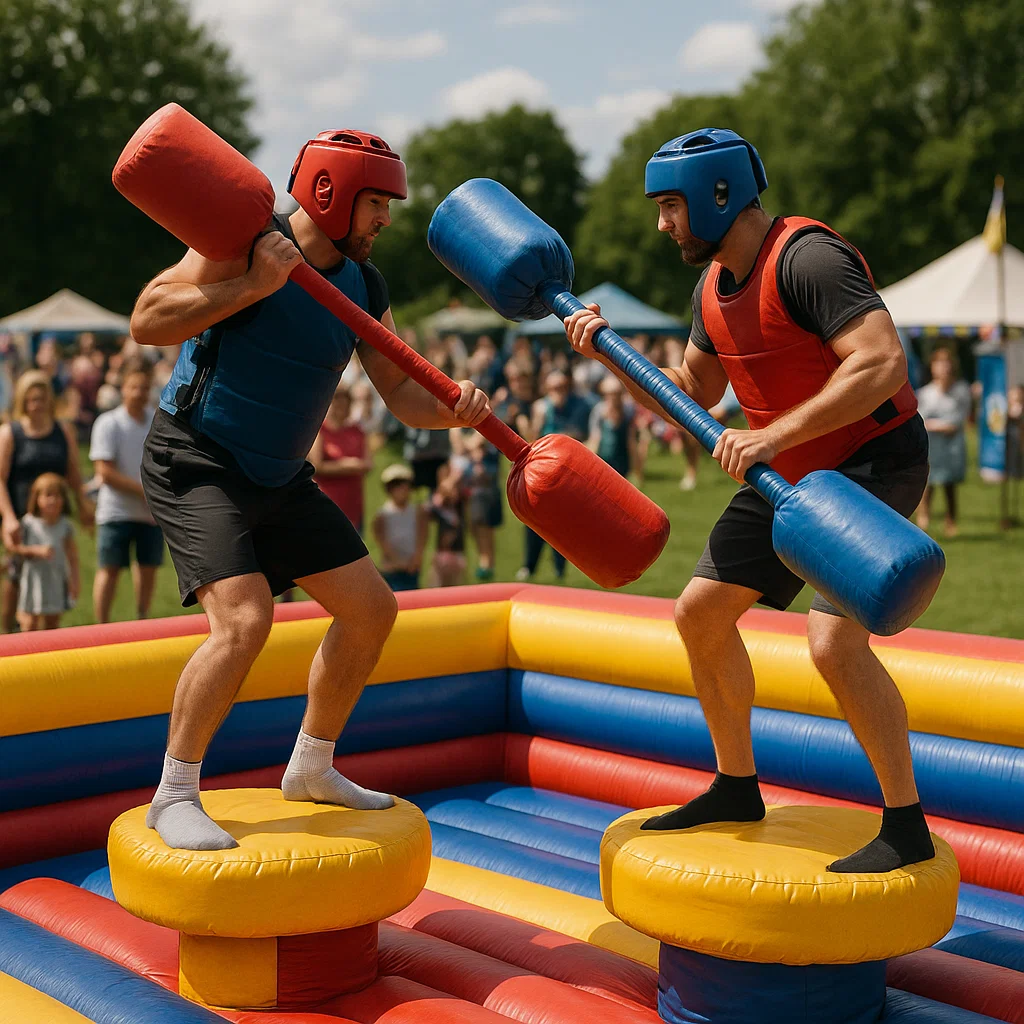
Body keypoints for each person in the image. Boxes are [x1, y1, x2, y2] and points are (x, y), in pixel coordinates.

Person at [564, 128, 933, 874]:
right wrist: (610, 353)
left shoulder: (808, 260)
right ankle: (736, 788)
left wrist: (771, 436)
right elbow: (691, 393)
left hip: (870, 461)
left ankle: (906, 825)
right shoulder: (712, 287)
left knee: (832, 643)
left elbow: (881, 363)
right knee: (699, 614)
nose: (662, 224)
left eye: (671, 206)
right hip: (785, 471)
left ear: (718, 195)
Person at [129, 129, 489, 851]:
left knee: (371, 610)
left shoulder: (366, 285)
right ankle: (173, 795)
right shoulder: (244, 239)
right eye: (377, 203)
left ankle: (311, 766)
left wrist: (454, 411)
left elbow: (400, 394)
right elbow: (147, 319)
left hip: (281, 477)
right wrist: (251, 286)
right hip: (196, 460)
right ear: (330, 192)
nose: (386, 220)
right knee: (244, 620)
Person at [0, 370, 93, 633]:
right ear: (22, 401)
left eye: (41, 399)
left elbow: (73, 472)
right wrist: (8, 518)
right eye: (31, 400)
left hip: (54, 517)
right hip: (20, 516)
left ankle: (47, 636)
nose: (37, 405)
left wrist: (82, 504)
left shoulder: (62, 430)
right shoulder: (10, 433)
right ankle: (9, 636)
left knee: (53, 569)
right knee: (17, 576)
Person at [89, 357, 163, 622]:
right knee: (109, 569)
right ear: (123, 388)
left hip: (150, 514)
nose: (139, 393)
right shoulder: (109, 423)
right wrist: (145, 492)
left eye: (144, 388)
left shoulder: (156, 422)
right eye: (134, 387)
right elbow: (105, 472)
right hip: (116, 512)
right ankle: (101, 626)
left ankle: (143, 620)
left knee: (148, 568)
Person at [515, 369, 591, 582]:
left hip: (567, 472)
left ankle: (560, 568)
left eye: (562, 387)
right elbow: (531, 440)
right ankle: (529, 566)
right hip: (542, 472)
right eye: (554, 388)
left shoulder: (579, 406)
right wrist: (537, 421)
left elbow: (579, 434)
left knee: (562, 522)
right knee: (534, 520)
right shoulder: (541, 408)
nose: (559, 392)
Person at [11, 472, 79, 631]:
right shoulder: (28, 523)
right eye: (48, 495)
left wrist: (75, 582)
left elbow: (73, 556)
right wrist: (36, 551)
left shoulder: (65, 526)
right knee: (30, 622)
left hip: (55, 579)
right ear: (37, 499)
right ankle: (28, 646)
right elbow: (16, 548)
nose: (53, 500)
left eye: (57, 496)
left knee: (52, 622)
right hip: (33, 578)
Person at [915, 346, 971, 538]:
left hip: (951, 446)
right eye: (939, 364)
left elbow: (958, 419)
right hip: (931, 445)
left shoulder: (961, 390)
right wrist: (936, 425)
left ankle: (951, 521)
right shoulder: (925, 393)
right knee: (927, 482)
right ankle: (923, 518)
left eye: (946, 363)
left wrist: (938, 425)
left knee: (949, 484)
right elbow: (919, 417)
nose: (943, 368)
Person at [310, 382, 371, 533]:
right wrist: (346, 466)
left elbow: (368, 464)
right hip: (327, 501)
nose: (341, 407)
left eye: (345, 403)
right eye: (337, 403)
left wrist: (355, 466)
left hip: (353, 502)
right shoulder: (320, 430)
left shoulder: (357, 431)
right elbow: (316, 466)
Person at [373, 463, 427, 591]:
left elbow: (422, 535)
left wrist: (417, 557)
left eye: (404, 485)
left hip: (412, 566)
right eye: (396, 486)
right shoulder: (383, 514)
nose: (402, 489)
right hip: (392, 567)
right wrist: (395, 560)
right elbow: (381, 539)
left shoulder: (417, 512)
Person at [587, 375, 637, 479]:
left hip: (623, 463)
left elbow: (631, 440)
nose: (613, 398)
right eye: (609, 394)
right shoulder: (599, 412)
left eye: (616, 394)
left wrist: (636, 469)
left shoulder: (627, 411)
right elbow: (595, 438)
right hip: (604, 461)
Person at [427, 462, 467, 587]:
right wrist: (451, 480)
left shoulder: (460, 503)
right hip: (441, 554)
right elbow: (433, 505)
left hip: (458, 553)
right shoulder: (437, 504)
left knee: (457, 590)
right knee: (437, 589)